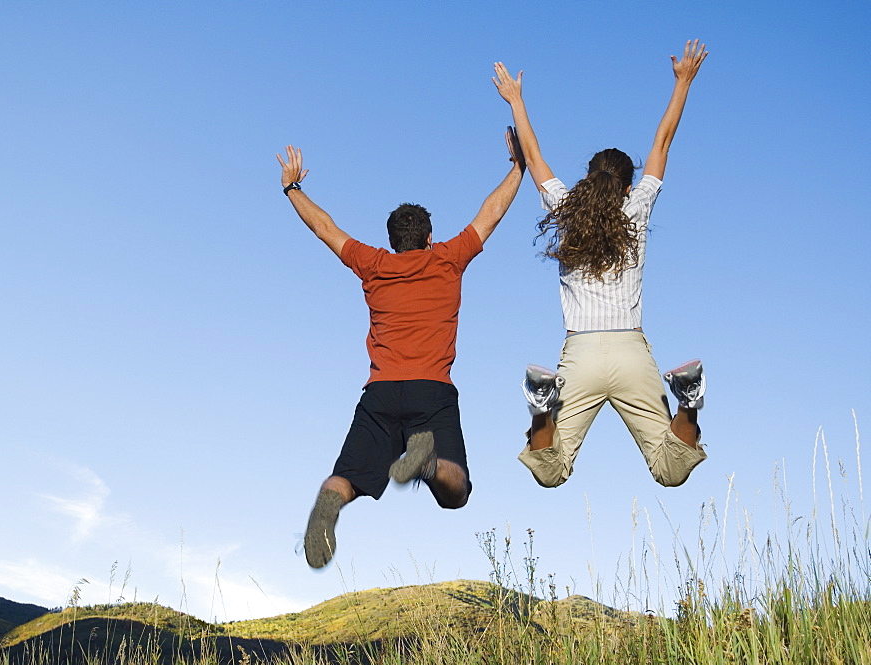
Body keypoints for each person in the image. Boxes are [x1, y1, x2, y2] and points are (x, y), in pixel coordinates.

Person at [277, 130, 525, 568]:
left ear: (393, 241)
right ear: (429, 237)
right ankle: (427, 464)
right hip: (432, 391)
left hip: (380, 393)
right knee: (457, 491)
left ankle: (328, 506)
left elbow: (325, 228)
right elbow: (491, 213)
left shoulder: (374, 265)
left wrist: (292, 188)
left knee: (347, 478)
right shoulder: (448, 258)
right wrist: (519, 166)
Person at [492, 40, 709, 488]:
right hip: (631, 350)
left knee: (552, 471)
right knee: (670, 469)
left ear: (586, 178)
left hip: (581, 353)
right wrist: (683, 82)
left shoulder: (567, 207)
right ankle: (688, 400)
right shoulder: (638, 207)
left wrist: (516, 101)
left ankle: (541, 406)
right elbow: (662, 142)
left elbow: (532, 158)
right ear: (629, 187)